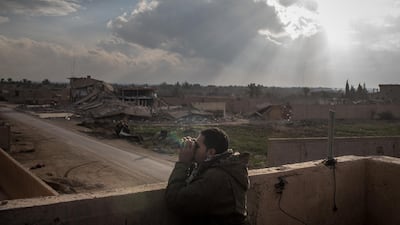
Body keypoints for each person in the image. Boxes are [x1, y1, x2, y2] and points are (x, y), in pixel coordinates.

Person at [165, 127, 250, 225]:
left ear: (210, 152)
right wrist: (193, 161)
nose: (193, 149)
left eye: (197, 146)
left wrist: (183, 163)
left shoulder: (215, 177)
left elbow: (175, 201)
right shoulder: (227, 168)